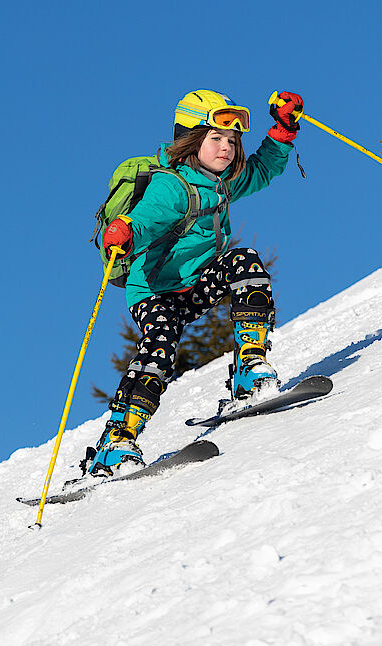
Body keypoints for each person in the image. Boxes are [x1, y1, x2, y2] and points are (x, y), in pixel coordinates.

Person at [85, 89, 304, 477]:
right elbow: (149, 217)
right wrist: (126, 232)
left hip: (197, 284)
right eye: (216, 138)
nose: (227, 148)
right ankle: (116, 441)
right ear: (191, 140)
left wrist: (283, 129)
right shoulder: (171, 185)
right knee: (159, 350)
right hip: (155, 292)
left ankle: (249, 369)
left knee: (245, 264)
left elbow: (264, 170)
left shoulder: (222, 183)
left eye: (233, 141)